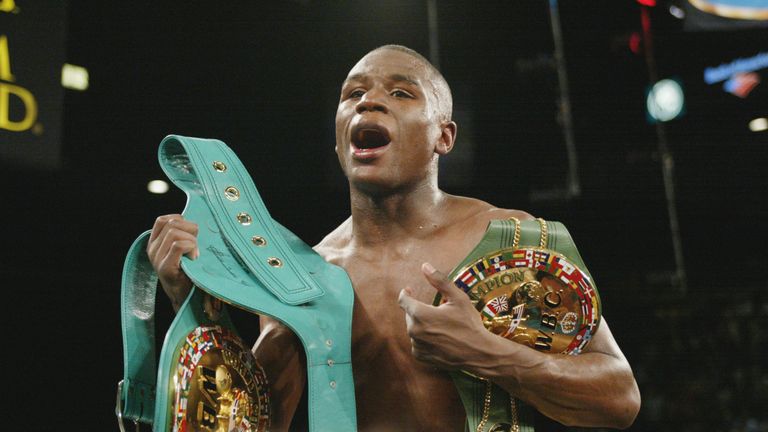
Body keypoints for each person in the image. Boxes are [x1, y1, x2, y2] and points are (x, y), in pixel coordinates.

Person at [147, 45, 641, 431]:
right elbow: (253, 422)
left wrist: (486, 352)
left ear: (443, 137)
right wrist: (193, 307)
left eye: (402, 93)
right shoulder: (301, 278)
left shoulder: (511, 237)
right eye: (352, 93)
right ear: (340, 135)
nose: (369, 100)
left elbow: (619, 400)